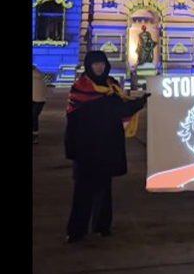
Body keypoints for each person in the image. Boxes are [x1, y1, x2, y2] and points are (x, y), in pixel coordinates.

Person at [64, 51, 150, 243]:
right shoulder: (80, 88)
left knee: (104, 189)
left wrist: (139, 102)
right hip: (86, 148)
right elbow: (72, 120)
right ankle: (76, 230)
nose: (99, 67)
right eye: (95, 64)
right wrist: (72, 147)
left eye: (102, 63)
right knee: (83, 190)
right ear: (89, 66)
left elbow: (120, 109)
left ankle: (102, 225)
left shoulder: (112, 86)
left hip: (106, 145)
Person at [32, 64, 48, 144]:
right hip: (40, 99)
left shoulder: (36, 76)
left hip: (36, 98)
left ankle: (34, 135)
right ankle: (35, 135)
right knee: (34, 117)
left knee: (33, 116)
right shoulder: (38, 74)